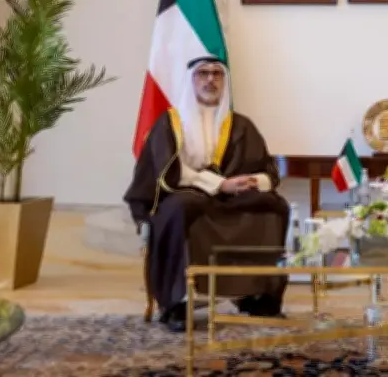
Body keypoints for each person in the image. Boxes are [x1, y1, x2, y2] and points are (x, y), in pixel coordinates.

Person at [124, 56, 291, 332]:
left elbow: (267, 169)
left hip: (230, 197)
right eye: (203, 73)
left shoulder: (240, 124)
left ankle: (257, 294)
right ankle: (178, 302)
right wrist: (219, 185)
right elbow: (170, 172)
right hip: (183, 193)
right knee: (183, 207)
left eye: (217, 74)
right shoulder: (170, 123)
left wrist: (253, 181)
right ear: (190, 81)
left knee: (273, 204)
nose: (210, 80)